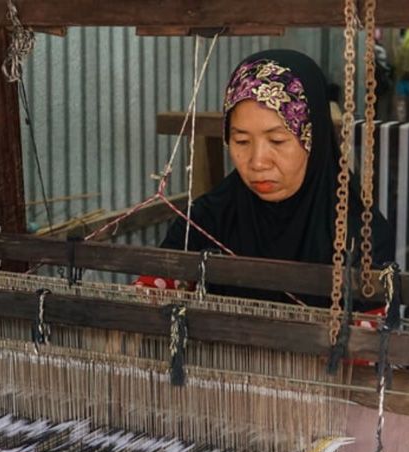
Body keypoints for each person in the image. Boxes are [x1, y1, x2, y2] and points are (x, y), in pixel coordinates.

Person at [139, 50, 394, 308]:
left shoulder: (361, 235)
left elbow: (372, 341)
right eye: (241, 141)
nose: (258, 162)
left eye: (277, 140)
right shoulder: (207, 221)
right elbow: (148, 303)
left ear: (313, 140)